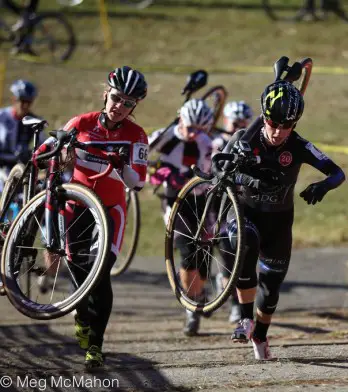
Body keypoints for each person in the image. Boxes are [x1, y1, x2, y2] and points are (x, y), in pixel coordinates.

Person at [33, 66, 148, 370]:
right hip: (78, 206)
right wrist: (54, 149)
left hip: (111, 211)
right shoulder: (81, 122)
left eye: (128, 103)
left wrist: (122, 165)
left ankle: (96, 346)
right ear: (105, 94)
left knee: (101, 274)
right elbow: (43, 155)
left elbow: (138, 183)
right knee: (79, 272)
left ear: (134, 107)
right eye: (116, 98)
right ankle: (82, 314)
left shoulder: (137, 135)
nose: (119, 107)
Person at [222, 81, 345, 360]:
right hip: (244, 213)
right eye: (272, 123)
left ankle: (261, 336)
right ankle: (243, 319)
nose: (277, 132)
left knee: (271, 289)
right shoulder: (245, 137)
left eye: (285, 126)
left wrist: (322, 186)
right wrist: (247, 178)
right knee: (247, 243)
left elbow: (337, 172)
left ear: (295, 123)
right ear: (264, 117)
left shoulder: (299, 145)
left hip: (279, 223)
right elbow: (219, 171)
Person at [148, 98, 214, 336]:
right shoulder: (164, 135)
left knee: (205, 254)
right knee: (187, 252)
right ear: (181, 118)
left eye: (199, 129)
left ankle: (200, 291)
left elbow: (209, 173)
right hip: (176, 202)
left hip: (202, 200)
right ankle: (191, 307)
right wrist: (158, 172)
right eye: (189, 126)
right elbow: (140, 160)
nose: (192, 133)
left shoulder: (206, 142)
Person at [212, 100, 254, 324]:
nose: (237, 124)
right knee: (224, 252)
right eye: (234, 121)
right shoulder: (215, 140)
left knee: (236, 253)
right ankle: (224, 287)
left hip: (239, 202)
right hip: (215, 201)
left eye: (242, 121)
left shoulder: (250, 141)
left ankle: (238, 306)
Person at [0, 79, 40, 190]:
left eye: (29, 102)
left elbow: (43, 143)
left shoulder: (34, 121)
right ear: (14, 99)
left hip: (20, 166)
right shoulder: (1, 116)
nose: (25, 106)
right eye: (22, 101)